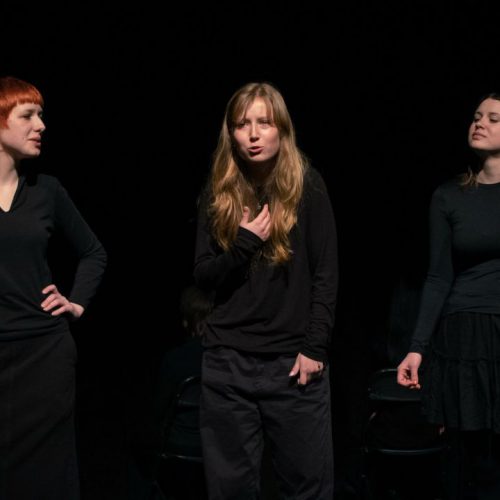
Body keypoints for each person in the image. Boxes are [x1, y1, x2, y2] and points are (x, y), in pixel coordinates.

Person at [193, 82, 338, 499]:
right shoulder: (219, 191)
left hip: (292, 365)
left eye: (264, 123)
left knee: (307, 487)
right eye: (242, 125)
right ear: (231, 134)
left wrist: (315, 346)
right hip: (228, 363)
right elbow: (203, 275)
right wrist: (243, 244)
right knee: (230, 489)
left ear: (282, 130)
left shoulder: (307, 186)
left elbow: (326, 273)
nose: (253, 135)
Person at [0, 76, 106, 499]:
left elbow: (94, 252)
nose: (40, 125)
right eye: (27, 115)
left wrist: (76, 302)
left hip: (44, 354)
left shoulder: (46, 190)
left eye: (40, 115)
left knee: (46, 477)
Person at [397, 93, 500, 499]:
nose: (480, 123)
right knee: (472, 460)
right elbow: (438, 277)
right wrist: (417, 348)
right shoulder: (449, 195)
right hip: (464, 336)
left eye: (493, 118)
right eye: (477, 116)